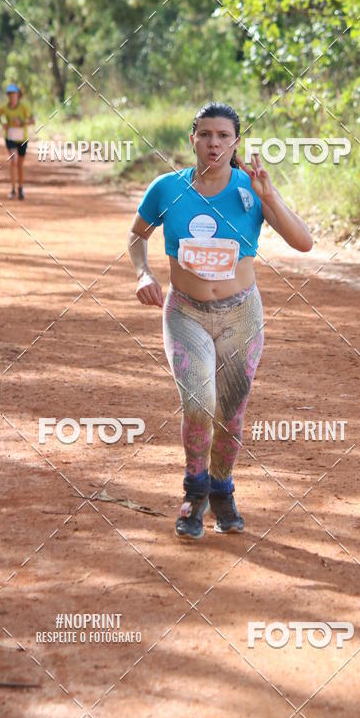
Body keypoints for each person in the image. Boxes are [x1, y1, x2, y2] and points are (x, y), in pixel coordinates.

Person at [127, 101, 313, 540]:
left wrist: (270, 197)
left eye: (223, 136)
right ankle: (194, 493)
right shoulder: (166, 188)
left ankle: (222, 491)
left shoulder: (252, 189)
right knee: (198, 404)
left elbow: (303, 242)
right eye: (206, 135)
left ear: (236, 142)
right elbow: (137, 235)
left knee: (230, 414)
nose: (214, 143)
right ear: (192, 138)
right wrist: (143, 273)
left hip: (241, 315)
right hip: (185, 313)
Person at [0, 83, 34, 199]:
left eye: (13, 94)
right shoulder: (4, 108)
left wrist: (21, 123)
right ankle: (12, 189)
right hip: (10, 137)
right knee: (13, 159)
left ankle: (20, 188)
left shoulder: (24, 107)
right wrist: (3, 124)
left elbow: (32, 121)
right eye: (9, 94)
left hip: (22, 139)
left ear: (18, 95)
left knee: (20, 164)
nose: (12, 96)